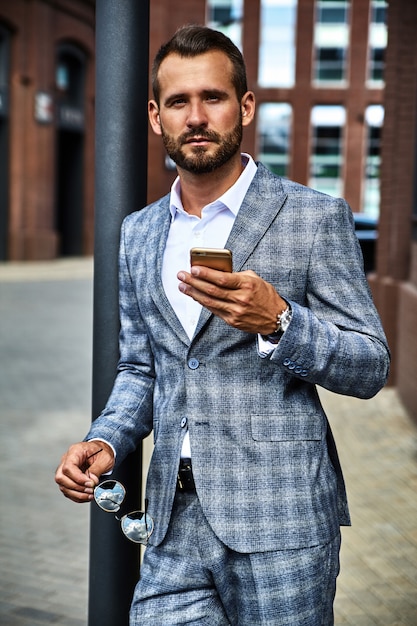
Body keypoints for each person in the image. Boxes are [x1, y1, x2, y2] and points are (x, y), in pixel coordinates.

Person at [55, 24, 390, 625]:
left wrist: (282, 321)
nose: (197, 116)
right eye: (180, 102)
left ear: (245, 107)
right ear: (156, 117)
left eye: (213, 97)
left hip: (282, 521)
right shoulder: (139, 233)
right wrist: (105, 440)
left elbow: (370, 366)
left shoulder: (313, 218)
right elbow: (141, 368)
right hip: (171, 523)